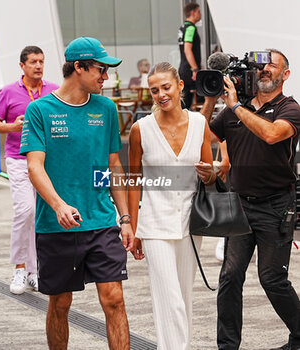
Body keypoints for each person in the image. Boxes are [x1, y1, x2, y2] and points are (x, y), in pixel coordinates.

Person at [19, 36, 134, 350]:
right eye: (100, 69)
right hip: (57, 225)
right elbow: (34, 167)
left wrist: (124, 218)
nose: (105, 77)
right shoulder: (39, 110)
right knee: (60, 303)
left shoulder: (107, 109)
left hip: (101, 222)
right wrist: (58, 205)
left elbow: (114, 166)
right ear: (79, 67)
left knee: (114, 300)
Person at [200, 49, 300, 350]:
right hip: (240, 206)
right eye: (262, 66)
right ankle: (227, 346)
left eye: (272, 66)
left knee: (272, 278)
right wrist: (210, 98)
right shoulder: (234, 109)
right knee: (230, 276)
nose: (265, 70)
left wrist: (235, 107)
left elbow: (271, 134)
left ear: (285, 75)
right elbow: (201, 134)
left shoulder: (290, 108)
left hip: (276, 206)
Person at [128, 61, 215, 350]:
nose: (161, 94)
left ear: (180, 86)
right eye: (154, 90)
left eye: (166, 87)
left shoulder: (200, 124)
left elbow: (208, 174)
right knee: (169, 299)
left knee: (184, 298)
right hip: (154, 225)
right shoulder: (141, 129)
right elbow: (134, 180)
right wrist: (133, 226)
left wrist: (210, 172)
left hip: (191, 224)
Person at [0, 46, 59, 295]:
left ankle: (34, 271)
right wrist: (13, 127)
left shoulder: (53, 91)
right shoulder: (7, 92)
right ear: (22, 66)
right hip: (18, 160)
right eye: (33, 62)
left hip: (46, 162)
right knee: (25, 211)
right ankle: (20, 268)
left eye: (41, 61)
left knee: (39, 216)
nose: (38, 65)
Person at [178, 2, 202, 110]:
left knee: (185, 101)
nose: (200, 14)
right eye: (198, 11)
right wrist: (195, 69)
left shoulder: (183, 27)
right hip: (189, 70)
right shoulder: (190, 28)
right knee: (197, 98)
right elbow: (187, 50)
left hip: (184, 68)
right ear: (192, 13)